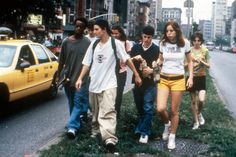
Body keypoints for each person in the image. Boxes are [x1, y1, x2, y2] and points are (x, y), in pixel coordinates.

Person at [75, 19, 142, 153]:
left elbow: (126, 59)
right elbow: (87, 63)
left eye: (96, 29)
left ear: (104, 29)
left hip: (110, 83)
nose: (94, 32)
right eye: (93, 29)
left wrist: (136, 74)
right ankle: (95, 131)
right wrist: (80, 78)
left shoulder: (115, 43)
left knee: (109, 110)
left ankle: (109, 138)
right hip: (94, 83)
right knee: (95, 112)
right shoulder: (93, 44)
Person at [155, 21, 193, 149]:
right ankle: (167, 124)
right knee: (160, 108)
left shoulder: (185, 43)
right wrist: (156, 63)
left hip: (178, 79)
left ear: (176, 31)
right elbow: (160, 59)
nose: (169, 33)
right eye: (167, 31)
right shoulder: (162, 43)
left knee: (174, 111)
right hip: (164, 78)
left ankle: (172, 137)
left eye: (171, 31)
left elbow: (190, 61)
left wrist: (191, 77)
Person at [57, 17, 91, 139]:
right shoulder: (66, 42)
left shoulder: (88, 43)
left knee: (78, 103)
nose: (78, 28)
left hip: (82, 80)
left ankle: (72, 127)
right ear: (73, 26)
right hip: (68, 79)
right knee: (71, 103)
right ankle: (78, 125)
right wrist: (57, 77)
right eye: (76, 26)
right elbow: (61, 61)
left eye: (81, 26)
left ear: (84, 28)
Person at [130, 25, 160, 144]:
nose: (146, 39)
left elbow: (161, 67)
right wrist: (133, 59)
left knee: (148, 107)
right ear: (141, 36)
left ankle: (144, 133)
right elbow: (128, 62)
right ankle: (142, 127)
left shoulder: (157, 49)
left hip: (151, 83)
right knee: (140, 107)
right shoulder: (136, 47)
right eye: (144, 37)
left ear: (152, 37)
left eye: (149, 37)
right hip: (138, 82)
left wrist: (152, 71)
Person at [188, 32, 210, 130]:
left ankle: (199, 113)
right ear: (192, 41)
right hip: (192, 77)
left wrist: (201, 62)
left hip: (201, 77)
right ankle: (196, 122)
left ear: (201, 41)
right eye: (195, 40)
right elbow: (185, 65)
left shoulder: (205, 51)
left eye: (198, 40)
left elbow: (209, 65)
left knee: (201, 100)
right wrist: (192, 62)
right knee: (193, 101)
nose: (196, 42)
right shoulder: (189, 51)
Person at [111, 25, 132, 119]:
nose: (114, 35)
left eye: (116, 33)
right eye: (113, 33)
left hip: (121, 71)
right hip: (111, 71)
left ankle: (117, 113)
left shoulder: (125, 42)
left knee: (119, 93)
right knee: (110, 93)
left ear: (121, 33)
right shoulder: (109, 42)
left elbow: (128, 56)